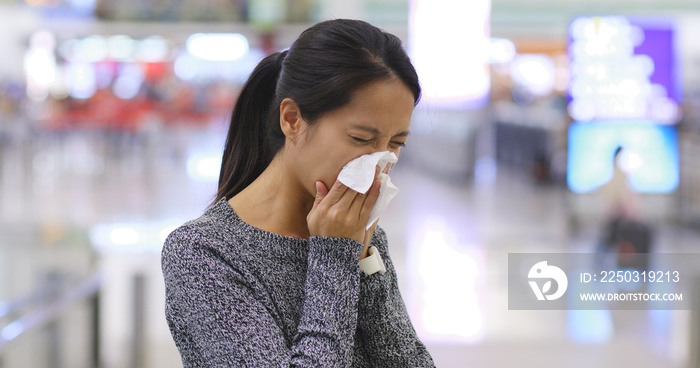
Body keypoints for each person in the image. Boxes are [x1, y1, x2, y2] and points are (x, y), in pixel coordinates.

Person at [161, 19, 436, 367]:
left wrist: (364, 256)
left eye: (396, 144)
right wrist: (336, 256)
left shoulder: (361, 235)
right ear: (291, 119)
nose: (381, 161)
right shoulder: (204, 253)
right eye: (361, 139)